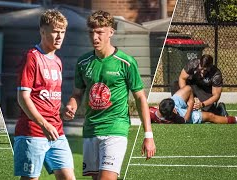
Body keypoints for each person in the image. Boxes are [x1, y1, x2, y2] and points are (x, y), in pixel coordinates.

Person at [64, 10, 156, 180]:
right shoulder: (83, 62)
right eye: (91, 33)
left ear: (111, 32)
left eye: (99, 32)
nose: (95, 37)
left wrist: (148, 135)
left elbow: (140, 98)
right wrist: (71, 105)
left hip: (116, 129)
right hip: (91, 129)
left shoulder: (126, 62)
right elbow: (77, 94)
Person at [14, 10, 75, 180]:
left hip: (57, 132)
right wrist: (44, 125)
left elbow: (49, 96)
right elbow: (23, 98)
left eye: (63, 32)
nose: (59, 36)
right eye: (55, 31)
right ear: (42, 31)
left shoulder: (57, 62)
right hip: (32, 132)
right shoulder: (31, 58)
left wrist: (64, 110)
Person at [151, 85, 237, 124]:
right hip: (184, 114)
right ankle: (234, 119)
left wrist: (190, 100)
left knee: (187, 88)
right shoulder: (178, 118)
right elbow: (185, 119)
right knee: (210, 116)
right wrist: (191, 105)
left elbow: (189, 88)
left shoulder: (151, 112)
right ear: (173, 112)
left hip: (170, 107)